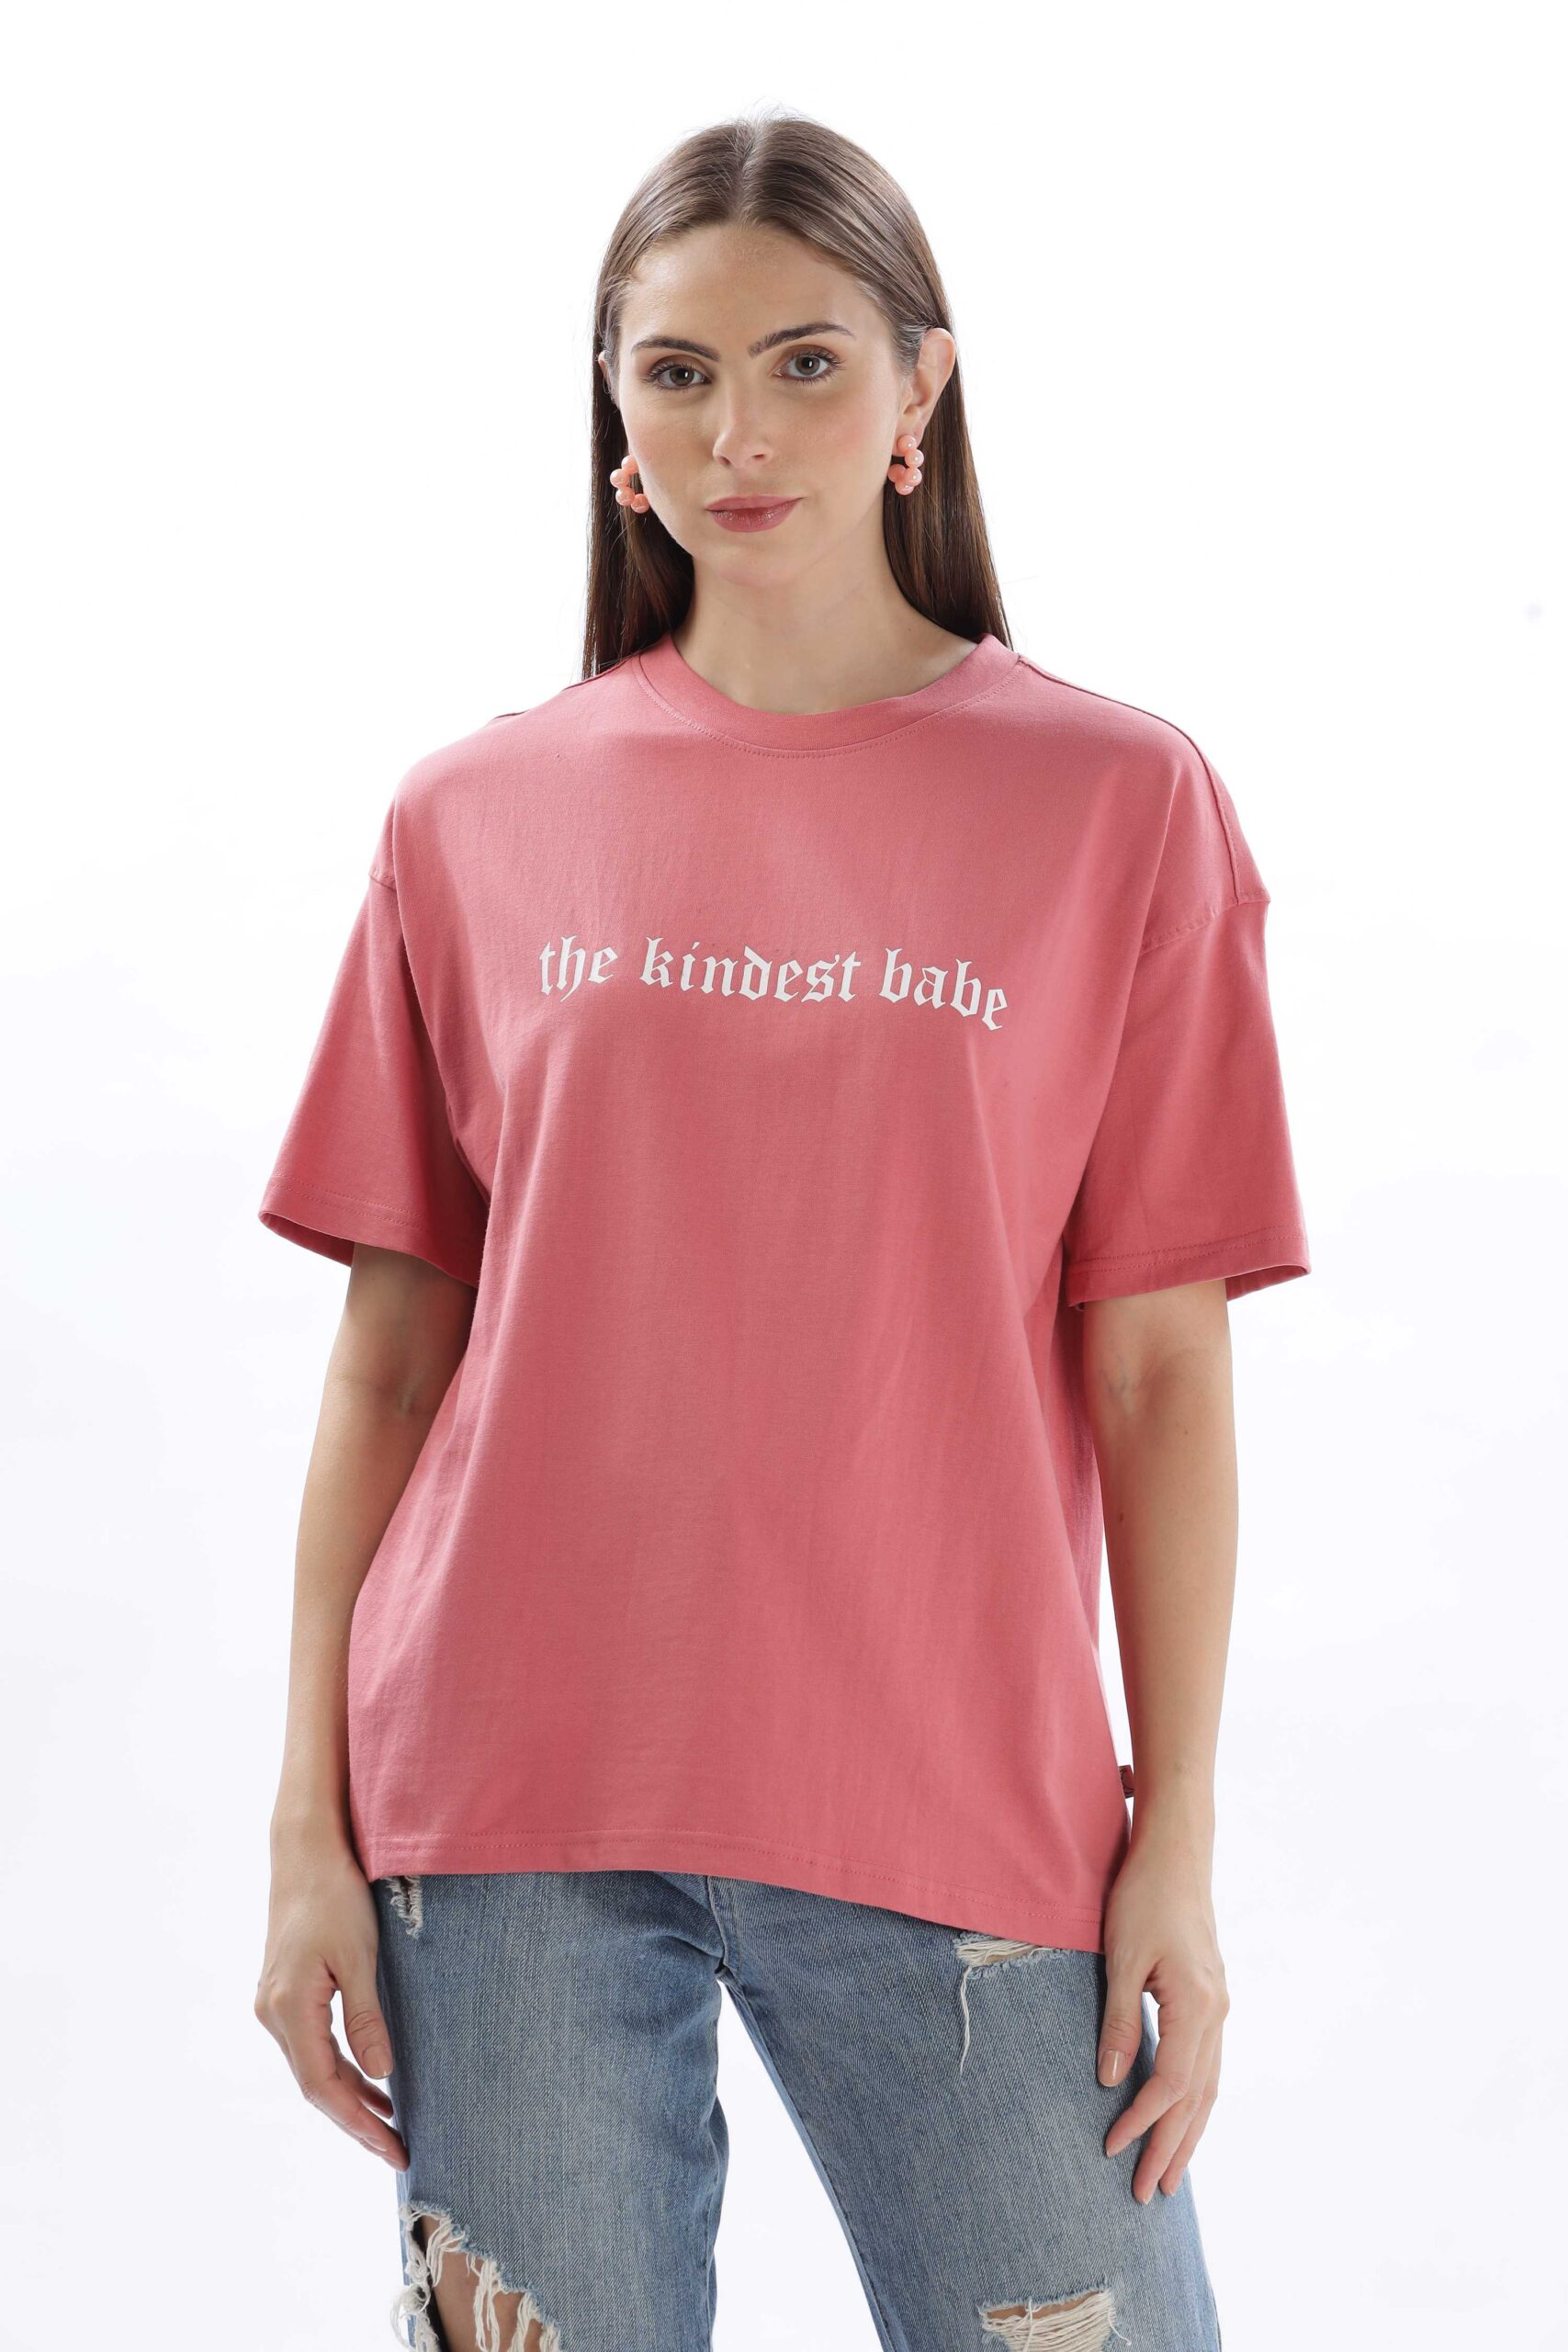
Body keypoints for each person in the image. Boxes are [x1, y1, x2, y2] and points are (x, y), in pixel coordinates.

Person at [253, 109, 1311, 2352]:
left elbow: (1156, 1365)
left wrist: (1179, 1838)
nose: (737, 435)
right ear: (613, 415)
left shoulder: (1116, 804)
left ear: (923, 390)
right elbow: (391, 1358)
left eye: (806, 365)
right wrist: (303, 1834)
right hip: (505, 1799)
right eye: (677, 373)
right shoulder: (473, 816)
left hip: (947, 1787)